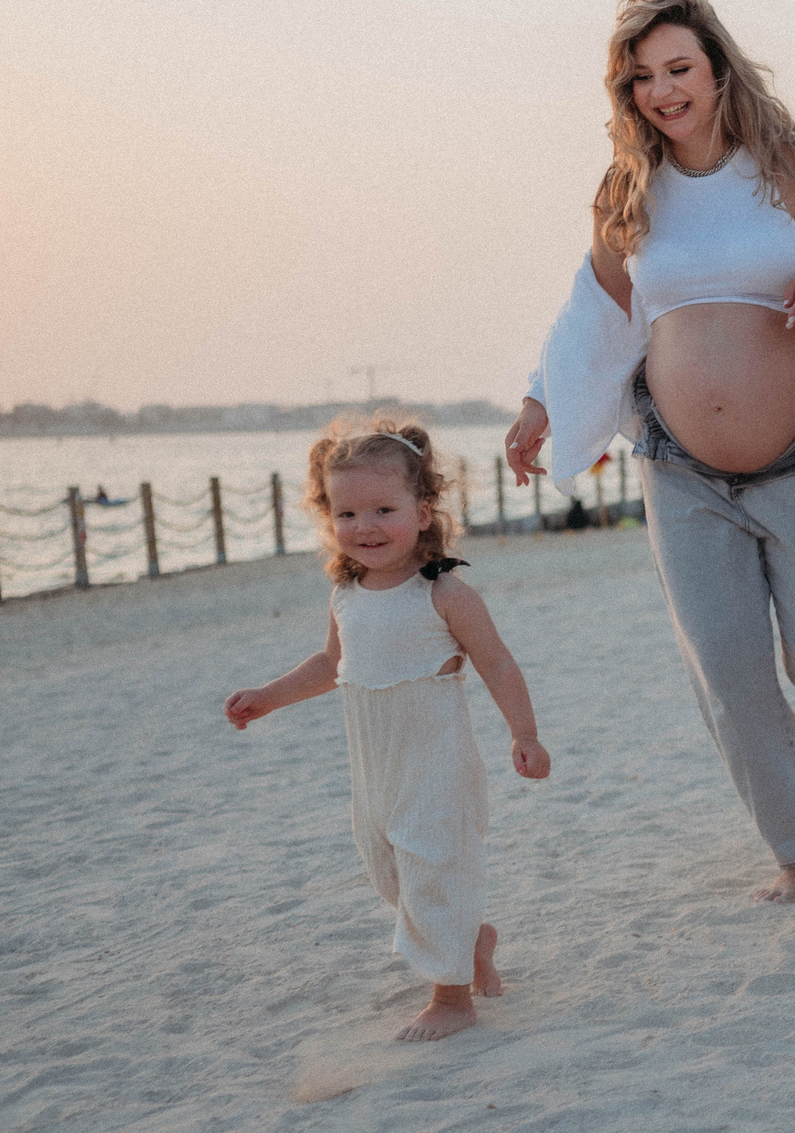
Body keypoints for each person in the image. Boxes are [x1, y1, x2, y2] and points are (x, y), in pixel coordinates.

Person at [505, 0, 795, 904]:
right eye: (642, 77)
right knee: (728, 667)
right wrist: (540, 404)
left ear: (720, 69)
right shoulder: (628, 194)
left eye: (679, 68)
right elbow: (595, 318)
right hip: (681, 471)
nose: (663, 90)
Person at [224, 420, 551, 1042]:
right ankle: (470, 940)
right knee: (388, 872)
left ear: (423, 513)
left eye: (384, 509)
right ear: (329, 520)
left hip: (436, 761)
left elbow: (498, 662)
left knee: (432, 868)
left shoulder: (445, 594)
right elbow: (331, 664)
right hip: (375, 765)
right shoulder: (345, 593)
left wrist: (525, 734)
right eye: (347, 513)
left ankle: (452, 997)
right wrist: (268, 698)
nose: (365, 526)